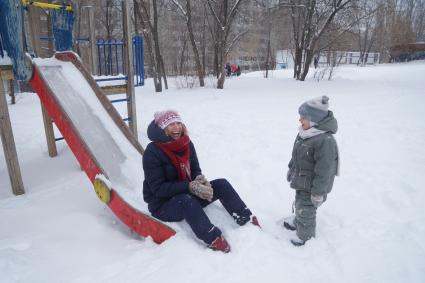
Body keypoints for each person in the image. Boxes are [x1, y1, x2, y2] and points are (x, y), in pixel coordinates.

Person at [143, 110, 260, 253]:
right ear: (163, 128)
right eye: (171, 124)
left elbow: (195, 168)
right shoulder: (152, 151)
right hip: (162, 205)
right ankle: (213, 238)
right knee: (186, 200)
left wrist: (200, 180)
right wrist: (189, 187)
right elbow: (158, 189)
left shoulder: (186, 143)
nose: (177, 127)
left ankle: (246, 218)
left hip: (187, 193)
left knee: (221, 184)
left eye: (178, 123)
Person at [284, 96, 339, 246]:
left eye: (303, 118)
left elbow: (325, 171)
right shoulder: (305, 133)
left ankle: (305, 237)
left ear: (314, 120)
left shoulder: (325, 141)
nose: (299, 120)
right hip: (302, 180)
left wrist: (318, 192)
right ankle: (298, 221)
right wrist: (291, 168)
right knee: (300, 203)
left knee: (307, 209)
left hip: (314, 187)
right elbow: (296, 155)